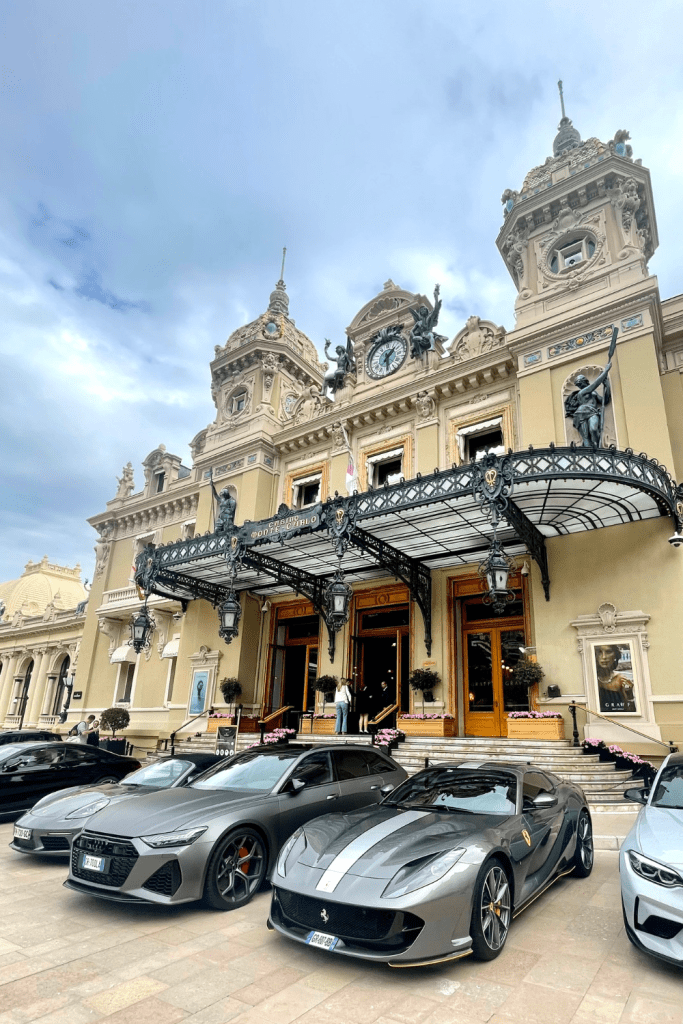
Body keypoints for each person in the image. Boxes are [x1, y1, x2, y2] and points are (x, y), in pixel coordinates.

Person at [595, 645, 636, 713]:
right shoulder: (591, 679)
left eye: (608, 652)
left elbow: (631, 711)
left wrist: (629, 694)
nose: (604, 657)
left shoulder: (621, 679)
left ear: (615, 655)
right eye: (599, 652)